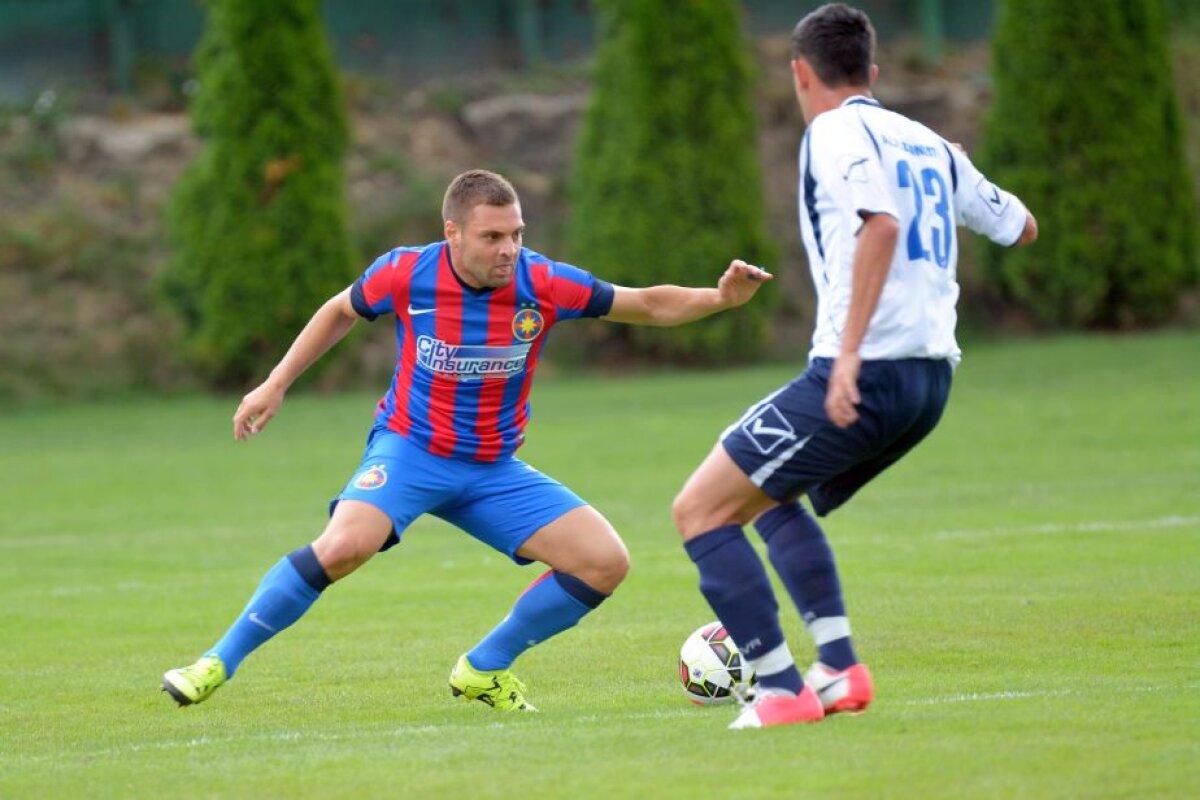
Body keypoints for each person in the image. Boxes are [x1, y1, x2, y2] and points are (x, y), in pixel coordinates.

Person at [162, 168, 771, 711]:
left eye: (516, 234)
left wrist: (720, 298)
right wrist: (274, 385)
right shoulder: (406, 272)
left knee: (605, 562)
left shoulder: (544, 284)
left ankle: (483, 669)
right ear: (452, 231)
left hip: (490, 469)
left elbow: (646, 305)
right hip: (410, 449)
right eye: (492, 237)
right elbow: (340, 310)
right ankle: (215, 662)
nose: (508, 249)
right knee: (346, 545)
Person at [671, 3, 1038, 730]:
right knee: (768, 494)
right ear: (872, 72)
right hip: (930, 381)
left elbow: (881, 224)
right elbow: (1021, 226)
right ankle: (838, 667)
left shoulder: (833, 130)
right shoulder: (926, 141)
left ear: (800, 73)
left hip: (867, 369)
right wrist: (950, 164)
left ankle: (780, 690)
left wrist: (843, 361)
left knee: (700, 511)